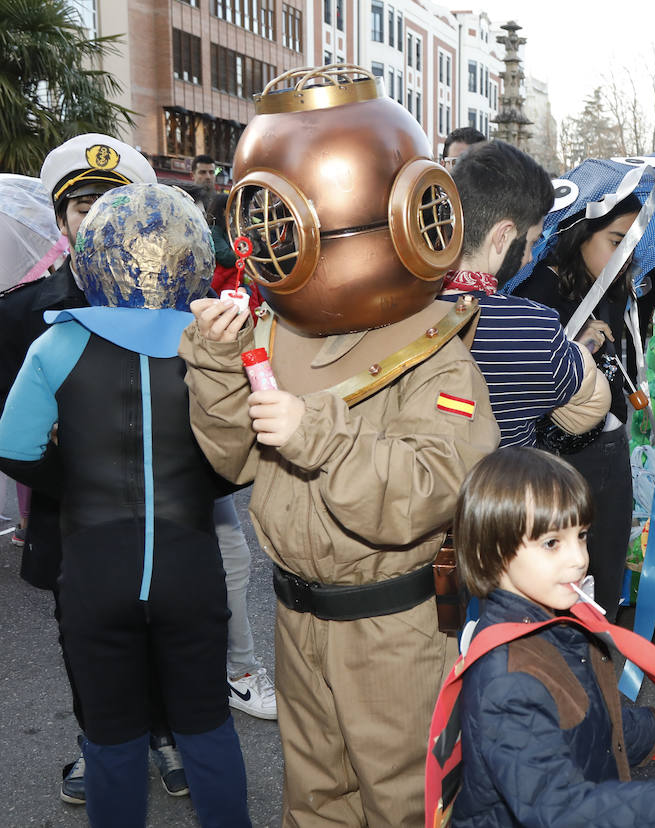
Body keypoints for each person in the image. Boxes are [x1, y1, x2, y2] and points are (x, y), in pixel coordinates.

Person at [180, 65, 502, 825]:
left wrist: (318, 431)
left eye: (281, 222)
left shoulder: (434, 354)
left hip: (393, 634)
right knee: (316, 803)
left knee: (404, 806)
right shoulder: (276, 332)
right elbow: (228, 460)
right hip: (300, 619)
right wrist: (220, 366)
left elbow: (429, 493)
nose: (268, 240)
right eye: (262, 223)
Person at [0, 182, 250, 825]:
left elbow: (14, 447)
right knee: (205, 728)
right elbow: (236, 460)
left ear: (91, 257)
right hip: (190, 562)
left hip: (94, 564)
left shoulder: (56, 344)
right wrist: (196, 483)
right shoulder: (215, 346)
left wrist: (77, 481)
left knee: (111, 741)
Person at [439, 446, 655, 827]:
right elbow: (561, 809)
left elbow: (583, 717)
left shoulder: (556, 624)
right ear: (493, 554)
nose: (579, 558)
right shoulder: (507, 681)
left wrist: (651, 731)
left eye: (581, 535)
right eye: (553, 543)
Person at [514, 195, 642, 613]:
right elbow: (530, 383)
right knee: (561, 579)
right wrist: (579, 346)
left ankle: (597, 667)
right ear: (582, 233)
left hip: (609, 443)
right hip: (561, 455)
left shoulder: (607, 284)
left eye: (631, 246)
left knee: (605, 574)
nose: (623, 256)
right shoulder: (539, 288)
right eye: (616, 241)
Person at [440, 140, 610, 449]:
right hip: (503, 489)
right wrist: (582, 345)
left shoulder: (404, 308)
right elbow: (589, 398)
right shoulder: (535, 328)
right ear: (504, 236)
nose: (530, 257)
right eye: (530, 242)